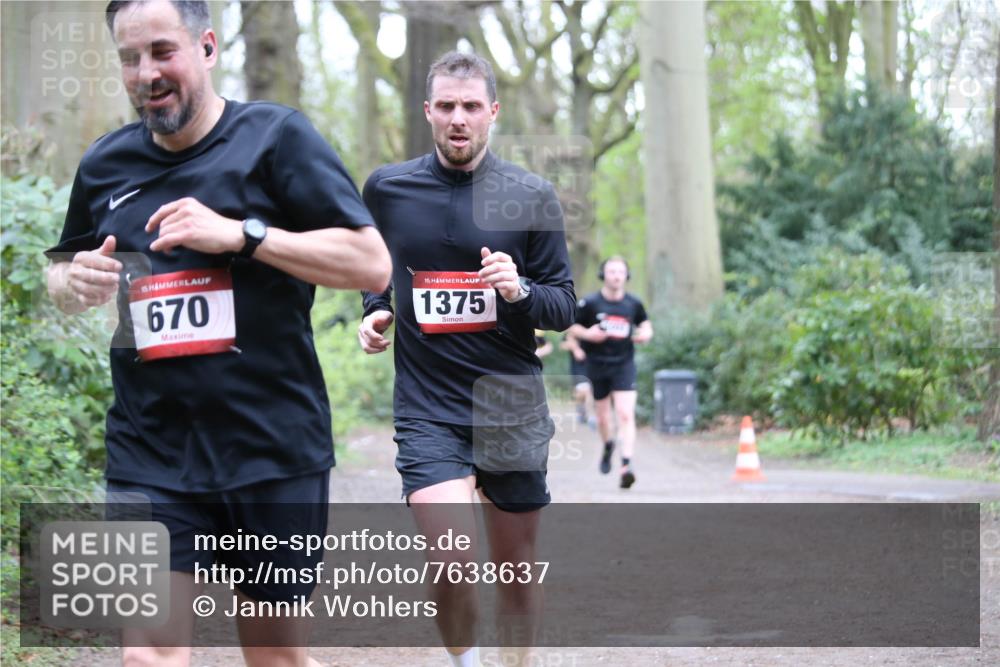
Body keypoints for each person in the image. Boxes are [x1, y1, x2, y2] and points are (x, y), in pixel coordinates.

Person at [44, 2, 391, 665]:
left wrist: (242, 235)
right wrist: (73, 282)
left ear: (206, 47)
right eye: (129, 58)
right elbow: (64, 274)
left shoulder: (277, 138)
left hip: (270, 446)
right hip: (149, 449)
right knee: (148, 654)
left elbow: (370, 261)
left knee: (273, 658)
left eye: (162, 51)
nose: (146, 73)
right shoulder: (105, 166)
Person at [357, 51, 575, 667]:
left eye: (471, 107)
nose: (459, 119)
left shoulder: (531, 195)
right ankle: (464, 661)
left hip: (510, 406)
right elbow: (376, 268)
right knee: (449, 561)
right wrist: (376, 309)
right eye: (447, 106)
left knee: (514, 573)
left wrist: (520, 290)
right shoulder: (388, 188)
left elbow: (563, 305)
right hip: (429, 409)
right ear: (428, 112)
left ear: (492, 113)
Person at [569, 256, 653, 489]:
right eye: (611, 271)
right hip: (597, 365)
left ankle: (626, 465)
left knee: (626, 414)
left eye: (620, 272)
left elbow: (645, 324)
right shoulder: (590, 303)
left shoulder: (633, 304)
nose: (616, 276)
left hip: (624, 364)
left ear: (626, 276)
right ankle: (608, 446)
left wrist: (646, 334)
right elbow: (571, 326)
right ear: (603, 275)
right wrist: (588, 335)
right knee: (604, 418)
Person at [559, 332, 593, 426]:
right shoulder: (573, 329)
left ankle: (590, 416)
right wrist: (575, 348)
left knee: (589, 390)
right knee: (581, 391)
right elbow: (562, 345)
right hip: (578, 366)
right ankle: (581, 410)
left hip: (594, 365)